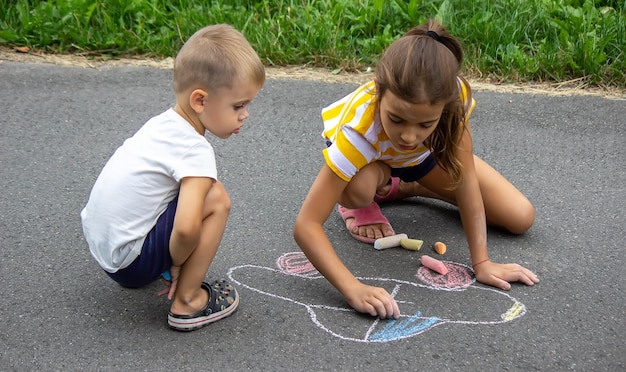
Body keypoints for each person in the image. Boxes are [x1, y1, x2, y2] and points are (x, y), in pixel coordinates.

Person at [293, 20, 539, 320]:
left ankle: (412, 185)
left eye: (425, 124)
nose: (409, 136)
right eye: (396, 119)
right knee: (358, 190)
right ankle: (376, 190)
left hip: (420, 162)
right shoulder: (358, 133)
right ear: (379, 93)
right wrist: (352, 289)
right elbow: (306, 225)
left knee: (520, 216)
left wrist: (482, 263)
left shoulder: (454, 96)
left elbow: (465, 179)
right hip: (371, 164)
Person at [80, 24, 265, 331]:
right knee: (216, 197)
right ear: (200, 101)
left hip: (102, 246)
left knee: (189, 195)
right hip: (128, 264)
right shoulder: (195, 149)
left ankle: (149, 264)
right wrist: (177, 264)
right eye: (238, 105)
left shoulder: (161, 125)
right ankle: (189, 300)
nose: (245, 115)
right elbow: (186, 229)